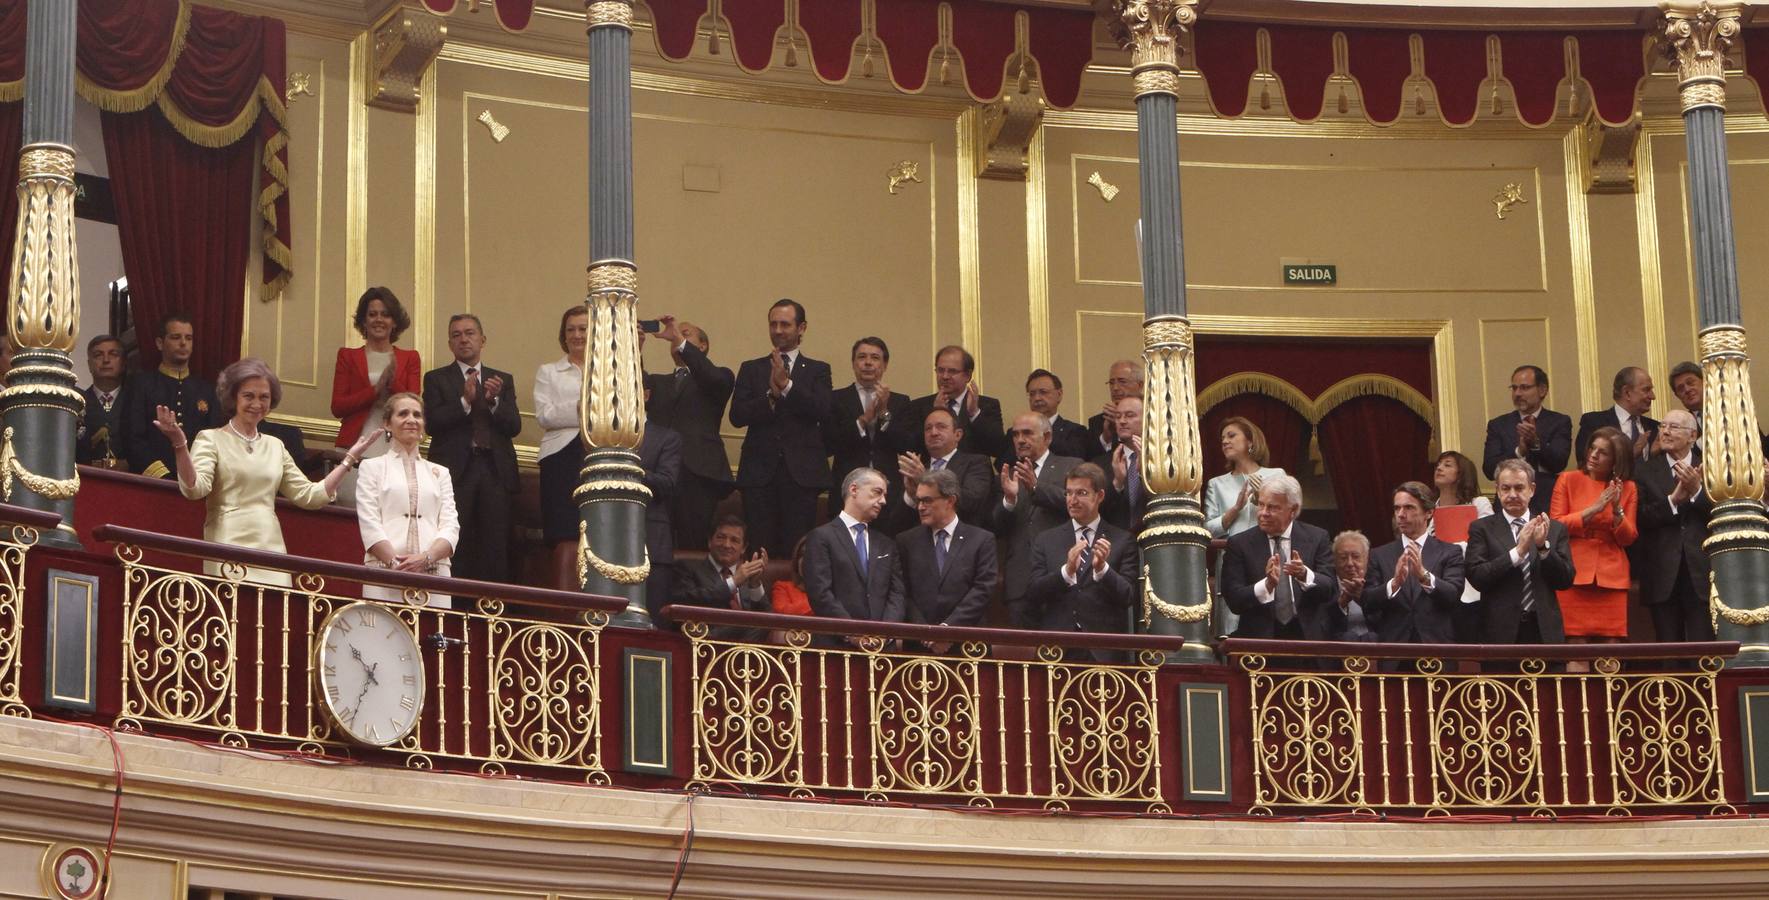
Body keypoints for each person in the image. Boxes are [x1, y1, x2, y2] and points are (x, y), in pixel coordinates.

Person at [160, 358, 378, 586]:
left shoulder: (276, 445)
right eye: (249, 396)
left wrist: (349, 459)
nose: (257, 403)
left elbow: (309, 496)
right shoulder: (211, 439)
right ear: (233, 398)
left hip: (270, 546)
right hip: (228, 540)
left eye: (264, 397)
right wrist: (180, 444)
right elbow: (195, 489)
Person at [422, 314, 521, 585]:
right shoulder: (436, 379)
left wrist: (492, 402)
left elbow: (514, 426)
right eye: (456, 335)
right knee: (456, 539)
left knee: (496, 543)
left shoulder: (503, 380)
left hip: (495, 470)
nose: (463, 339)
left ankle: (494, 608)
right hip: (455, 472)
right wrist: (465, 400)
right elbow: (432, 424)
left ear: (482, 340)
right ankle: (454, 605)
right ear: (450, 344)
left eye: (469, 333)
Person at [730, 298, 833, 558]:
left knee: (797, 550)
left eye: (785, 324)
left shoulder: (819, 370)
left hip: (801, 476)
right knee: (759, 548)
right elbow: (737, 416)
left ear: (802, 328)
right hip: (758, 474)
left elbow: (822, 410)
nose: (777, 330)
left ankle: (793, 600)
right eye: (773, 324)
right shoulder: (751, 368)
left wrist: (787, 386)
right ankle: (757, 597)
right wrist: (771, 396)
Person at [355, 392, 459, 609]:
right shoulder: (372, 468)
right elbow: (370, 525)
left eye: (417, 415)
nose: (412, 420)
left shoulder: (440, 472)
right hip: (385, 573)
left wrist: (426, 558)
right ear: (387, 424)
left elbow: (451, 527)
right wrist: (396, 565)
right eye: (403, 414)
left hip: (434, 573)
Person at [1026, 463, 1140, 651]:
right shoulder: (1046, 539)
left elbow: (1128, 596)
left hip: (1103, 649)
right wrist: (1066, 572)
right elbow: (1033, 593)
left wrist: (1103, 570)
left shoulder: (1122, 540)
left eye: (1082, 493)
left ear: (1100, 496)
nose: (1073, 500)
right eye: (1068, 493)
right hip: (1057, 648)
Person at [645, 316, 735, 551]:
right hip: (658, 472)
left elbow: (713, 378)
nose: (677, 336)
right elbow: (631, 384)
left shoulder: (721, 376)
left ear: (702, 346)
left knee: (692, 542)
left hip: (698, 474)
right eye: (676, 334)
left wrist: (680, 343)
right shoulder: (656, 382)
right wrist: (636, 344)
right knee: (653, 539)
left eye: (685, 333)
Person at [1550, 426, 1638, 665]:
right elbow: (1555, 525)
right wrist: (1595, 509)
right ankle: (1576, 702)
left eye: (1603, 452)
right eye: (1592, 448)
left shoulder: (1627, 488)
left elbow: (1628, 538)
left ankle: (1610, 702)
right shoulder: (1567, 480)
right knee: (1576, 645)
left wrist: (1617, 508)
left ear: (1616, 461)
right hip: (1573, 572)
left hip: (1611, 574)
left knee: (1611, 646)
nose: (1593, 455)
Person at [1465, 459, 1573, 646]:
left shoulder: (1553, 529)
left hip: (1544, 631)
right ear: (1497, 490)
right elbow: (1477, 577)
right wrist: (1518, 552)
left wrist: (1542, 548)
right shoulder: (1481, 528)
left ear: (1531, 489)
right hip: (1499, 633)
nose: (1512, 495)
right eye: (1506, 488)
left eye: (1519, 488)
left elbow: (1565, 580)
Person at [331, 287, 423, 505]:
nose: (379, 320)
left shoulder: (410, 358)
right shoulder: (348, 356)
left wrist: (391, 384)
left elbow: (413, 404)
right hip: (355, 443)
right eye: (372, 314)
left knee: (392, 510)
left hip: (396, 443)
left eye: (385, 314)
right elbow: (337, 406)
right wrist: (374, 391)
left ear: (394, 321)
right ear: (363, 321)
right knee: (352, 508)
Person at [1220, 474, 1337, 640]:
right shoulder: (1240, 544)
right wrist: (1266, 585)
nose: (1263, 513)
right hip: (1259, 643)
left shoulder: (1317, 538)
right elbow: (1234, 600)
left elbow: (1330, 589)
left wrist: (1305, 575)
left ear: (1293, 510)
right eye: (1261, 505)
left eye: (1273, 507)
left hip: (1309, 640)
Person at [993, 412, 1081, 627]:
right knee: (1023, 654)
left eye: (1027, 433)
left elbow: (1076, 505)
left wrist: (1036, 487)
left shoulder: (1070, 466)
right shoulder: (1009, 473)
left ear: (1048, 437)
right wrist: (1009, 500)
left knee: (1059, 652)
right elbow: (996, 526)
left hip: (1060, 572)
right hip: (1019, 581)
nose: (1020, 440)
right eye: (1015, 435)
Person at [1633, 409, 1713, 642]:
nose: (1665, 431)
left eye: (1674, 427)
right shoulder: (1644, 470)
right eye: (1663, 426)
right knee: (1669, 649)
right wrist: (1673, 501)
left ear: (1692, 436)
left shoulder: (1710, 469)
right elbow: (1640, 518)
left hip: (1702, 571)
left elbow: (1720, 516)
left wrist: (1697, 490)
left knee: (1703, 648)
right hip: (1661, 571)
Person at [826, 337, 915, 536]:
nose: (868, 362)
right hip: (847, 489)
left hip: (889, 492)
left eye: (875, 358)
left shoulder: (900, 401)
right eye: (862, 357)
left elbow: (906, 444)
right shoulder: (836, 398)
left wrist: (884, 413)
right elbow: (829, 443)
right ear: (853, 363)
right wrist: (863, 421)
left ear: (884, 365)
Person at [1360, 482, 1467, 644]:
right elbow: (1367, 602)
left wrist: (1424, 577)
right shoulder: (1379, 554)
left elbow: (1453, 595)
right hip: (1394, 651)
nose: (1401, 514)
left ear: (1429, 512)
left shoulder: (1450, 552)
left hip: (1435, 649)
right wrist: (1394, 584)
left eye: (1409, 508)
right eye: (1397, 508)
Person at [898, 469, 998, 634]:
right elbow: (903, 592)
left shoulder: (981, 540)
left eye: (927, 500)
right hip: (920, 642)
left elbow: (983, 589)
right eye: (919, 501)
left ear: (950, 501)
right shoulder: (907, 541)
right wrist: (926, 631)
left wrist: (948, 629)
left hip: (967, 641)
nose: (921, 507)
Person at [803, 467, 906, 628]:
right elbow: (820, 594)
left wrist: (885, 631)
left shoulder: (886, 544)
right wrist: (854, 632)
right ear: (854, 490)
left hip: (881, 644)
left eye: (884, 495)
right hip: (836, 643)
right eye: (877, 492)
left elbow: (897, 593)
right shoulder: (821, 537)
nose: (883, 501)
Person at [123, 313, 217, 479]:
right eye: (175, 337)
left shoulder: (206, 390)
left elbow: (214, 438)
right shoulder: (141, 384)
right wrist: (162, 475)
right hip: (153, 482)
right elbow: (134, 439)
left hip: (196, 482)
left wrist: (197, 475)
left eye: (188, 338)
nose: (183, 343)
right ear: (160, 343)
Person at [1480, 365, 1572, 517]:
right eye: (1514, 388)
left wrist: (1536, 443)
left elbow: (1559, 462)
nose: (1517, 393)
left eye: (1524, 388)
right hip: (1508, 505)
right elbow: (1489, 469)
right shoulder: (1498, 425)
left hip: (1547, 502)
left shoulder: (1559, 421)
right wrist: (1519, 451)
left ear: (1542, 390)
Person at [534, 306, 590, 547]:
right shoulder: (548, 371)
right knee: (562, 526)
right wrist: (584, 407)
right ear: (563, 335)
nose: (577, 335)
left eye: (583, 329)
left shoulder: (608, 370)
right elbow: (545, 415)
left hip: (597, 452)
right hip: (559, 455)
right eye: (571, 330)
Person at [672, 515, 772, 641]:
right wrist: (733, 582)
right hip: (704, 642)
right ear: (710, 541)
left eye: (734, 540)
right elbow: (685, 601)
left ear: (744, 548)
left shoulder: (747, 575)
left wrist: (754, 584)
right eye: (721, 538)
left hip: (748, 652)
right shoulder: (687, 568)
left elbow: (766, 620)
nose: (726, 545)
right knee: (745, 621)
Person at [898, 407, 994, 526]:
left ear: (958, 435)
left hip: (963, 539)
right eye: (928, 429)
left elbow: (971, 502)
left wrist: (925, 481)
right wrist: (911, 496)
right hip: (922, 539)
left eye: (941, 427)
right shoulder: (915, 470)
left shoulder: (976, 463)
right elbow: (897, 524)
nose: (933, 433)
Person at [907, 345, 1006, 460]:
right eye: (940, 370)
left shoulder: (987, 405)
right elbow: (911, 449)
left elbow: (998, 448)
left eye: (952, 371)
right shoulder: (919, 406)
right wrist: (935, 413)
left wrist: (974, 414)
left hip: (975, 475)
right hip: (933, 475)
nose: (945, 376)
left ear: (967, 375)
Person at [638, 407, 684, 624]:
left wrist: (630, 467)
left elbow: (667, 483)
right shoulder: (602, 433)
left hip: (652, 543)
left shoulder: (666, 437)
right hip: (606, 539)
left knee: (653, 622)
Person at [1577, 366, 1658, 463]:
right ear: (1627, 392)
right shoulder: (1594, 423)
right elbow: (1586, 463)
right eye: (1646, 390)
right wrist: (1630, 454)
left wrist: (1654, 454)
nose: (1653, 396)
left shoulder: (1655, 427)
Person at [1096, 397, 1147, 532]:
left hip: (1155, 540)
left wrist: (1145, 474)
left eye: (1130, 416)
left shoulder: (1161, 460)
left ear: (1147, 419)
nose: (1122, 421)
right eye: (1118, 417)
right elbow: (1094, 511)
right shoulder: (1100, 464)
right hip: (1116, 544)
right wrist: (1117, 484)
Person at [77, 334, 129, 467]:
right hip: (87, 480)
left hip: (129, 481)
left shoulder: (134, 400)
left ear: (123, 363)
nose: (106, 360)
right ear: (89, 365)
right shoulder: (77, 402)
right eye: (98, 355)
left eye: (113, 354)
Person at [1024, 369, 1092, 461]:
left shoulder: (1075, 432)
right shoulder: (1017, 433)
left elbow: (1075, 460)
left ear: (1059, 395)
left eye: (1043, 392)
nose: (1037, 398)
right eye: (1032, 394)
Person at [1330, 531, 1378, 642]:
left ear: (1367, 559)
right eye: (1343, 558)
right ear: (1334, 560)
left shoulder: (1376, 583)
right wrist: (1342, 602)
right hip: (1338, 651)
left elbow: (1387, 622)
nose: (1350, 563)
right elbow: (1323, 625)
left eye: (1356, 557)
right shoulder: (1327, 586)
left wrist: (1362, 598)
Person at [1087, 359, 1143, 453]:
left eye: (1122, 382)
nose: (1115, 388)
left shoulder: (1155, 415)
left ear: (1140, 385)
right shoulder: (1098, 422)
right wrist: (1106, 438)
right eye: (1112, 383)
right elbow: (1094, 461)